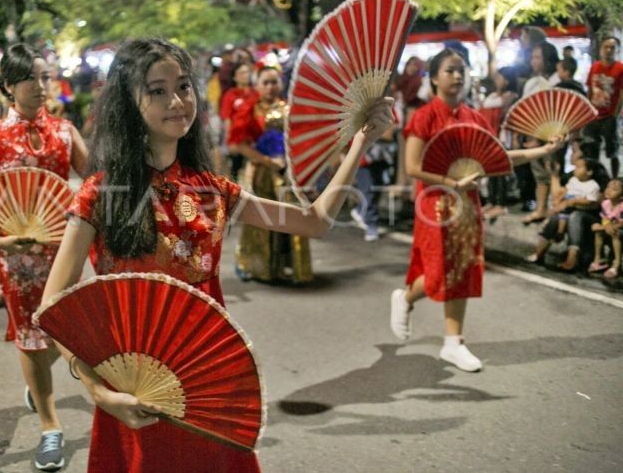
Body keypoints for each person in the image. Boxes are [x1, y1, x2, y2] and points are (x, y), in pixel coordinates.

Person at [38, 38, 393, 472]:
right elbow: (53, 308)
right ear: (129, 103)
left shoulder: (213, 190)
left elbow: (315, 221)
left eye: (184, 86)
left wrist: (360, 141)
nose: (177, 101)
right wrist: (98, 392)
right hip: (133, 387)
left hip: (209, 377)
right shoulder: (100, 194)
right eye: (157, 90)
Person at [390, 48, 564, 372]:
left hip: (467, 205)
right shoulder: (423, 117)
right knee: (440, 270)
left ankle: (453, 343)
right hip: (435, 203)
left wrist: (544, 148)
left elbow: (499, 157)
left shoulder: (475, 117)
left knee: (464, 267)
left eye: (462, 70)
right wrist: (450, 182)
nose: (458, 76)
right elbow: (412, 166)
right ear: (434, 78)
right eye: (450, 70)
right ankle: (406, 298)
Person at [0, 43, 88, 471]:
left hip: (64, 250)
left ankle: (37, 386)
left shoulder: (66, 132)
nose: (40, 86)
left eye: (44, 77)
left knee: (67, 330)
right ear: (8, 86)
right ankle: (51, 428)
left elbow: (96, 182)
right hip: (18, 260)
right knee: (32, 336)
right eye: (30, 78)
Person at [228, 64, 313, 284]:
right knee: (261, 219)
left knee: (292, 218)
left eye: (274, 82)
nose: (270, 87)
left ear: (281, 83)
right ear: (256, 85)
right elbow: (240, 145)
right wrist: (267, 161)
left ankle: (293, 267)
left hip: (288, 174)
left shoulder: (290, 109)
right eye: (265, 82)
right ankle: (258, 266)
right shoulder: (249, 109)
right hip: (261, 172)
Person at [525, 157, 601, 268]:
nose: (575, 170)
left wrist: (573, 201)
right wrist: (559, 199)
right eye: (575, 167)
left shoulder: (593, 185)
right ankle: (539, 252)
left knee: (574, 217)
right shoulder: (573, 180)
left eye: (579, 167)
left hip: (584, 214)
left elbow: (590, 202)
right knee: (556, 217)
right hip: (567, 210)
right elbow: (564, 191)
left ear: (589, 172)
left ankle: (571, 259)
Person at [521, 41, 561, 224]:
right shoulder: (533, 82)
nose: (532, 61)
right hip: (533, 133)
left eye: (537, 57)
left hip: (552, 135)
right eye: (532, 57)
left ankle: (554, 212)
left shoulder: (556, 81)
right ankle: (541, 209)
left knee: (552, 173)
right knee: (539, 174)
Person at [480, 67, 519, 220]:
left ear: (507, 80)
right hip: (489, 137)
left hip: (503, 137)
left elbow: (504, 111)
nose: (496, 80)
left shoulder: (510, 96)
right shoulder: (493, 96)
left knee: (501, 171)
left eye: (500, 77)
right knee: (490, 171)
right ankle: (491, 200)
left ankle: (500, 204)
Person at [584, 36, 623, 178]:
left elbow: (621, 93)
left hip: (609, 116)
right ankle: (596, 178)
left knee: (612, 150)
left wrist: (616, 114)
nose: (609, 50)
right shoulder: (595, 67)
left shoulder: (620, 68)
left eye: (612, 47)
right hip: (593, 114)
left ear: (617, 50)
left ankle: (615, 179)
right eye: (606, 47)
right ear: (601, 49)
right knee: (591, 148)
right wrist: (588, 110)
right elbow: (589, 88)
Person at [219, 62, 256, 180]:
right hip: (237, 140)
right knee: (236, 171)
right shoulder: (230, 95)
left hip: (254, 139)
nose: (246, 75)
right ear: (235, 77)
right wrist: (229, 141)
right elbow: (227, 119)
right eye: (242, 72)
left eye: (247, 72)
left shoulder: (256, 93)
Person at [588, 178, 623, 278]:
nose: (608, 190)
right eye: (608, 187)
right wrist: (602, 227)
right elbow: (605, 219)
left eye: (614, 189)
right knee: (598, 232)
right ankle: (598, 259)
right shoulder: (605, 203)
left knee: (614, 232)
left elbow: (621, 223)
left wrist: (604, 227)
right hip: (611, 227)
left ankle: (616, 264)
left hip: (619, 229)